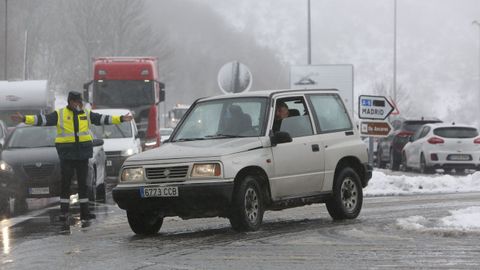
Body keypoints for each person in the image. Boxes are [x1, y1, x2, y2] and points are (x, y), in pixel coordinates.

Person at [11, 91, 133, 222]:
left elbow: (102, 119)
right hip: (67, 155)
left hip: (82, 154)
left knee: (83, 185)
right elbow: (42, 120)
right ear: (70, 102)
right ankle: (64, 213)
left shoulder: (85, 113)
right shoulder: (60, 114)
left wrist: (120, 119)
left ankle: (85, 213)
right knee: (66, 185)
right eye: (76, 101)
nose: (79, 104)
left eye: (80, 102)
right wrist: (24, 119)